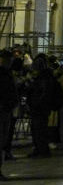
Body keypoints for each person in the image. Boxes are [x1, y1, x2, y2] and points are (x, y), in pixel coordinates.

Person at [26, 54, 60, 158]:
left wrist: (36, 103)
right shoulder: (46, 76)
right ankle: (39, 149)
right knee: (37, 129)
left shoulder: (43, 77)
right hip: (41, 107)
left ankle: (42, 150)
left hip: (40, 108)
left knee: (39, 129)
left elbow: (43, 93)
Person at [0, 51, 17, 181]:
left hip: (6, 110)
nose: (9, 62)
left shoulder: (8, 73)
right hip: (3, 110)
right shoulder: (5, 74)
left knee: (3, 141)